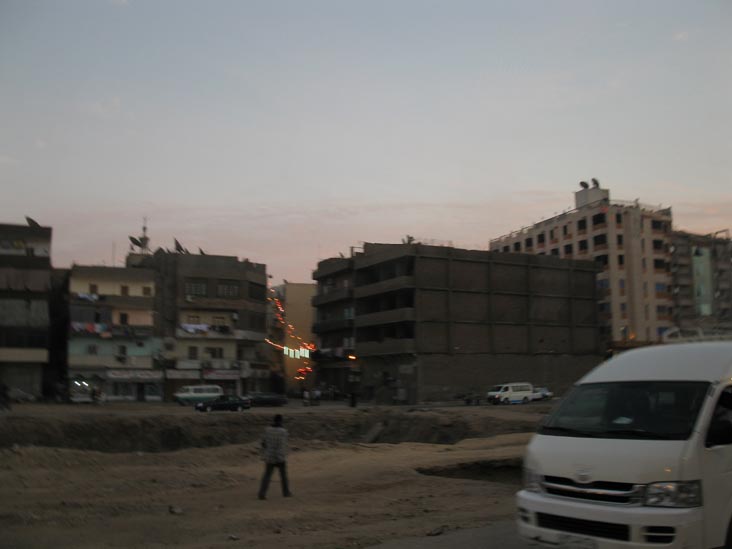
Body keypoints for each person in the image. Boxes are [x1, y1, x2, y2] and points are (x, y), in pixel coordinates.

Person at [258, 414, 292, 500]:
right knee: (283, 476)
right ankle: (286, 492)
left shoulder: (267, 430)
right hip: (280, 456)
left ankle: (262, 493)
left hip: (270, 456)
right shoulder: (283, 431)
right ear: (281, 421)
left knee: (267, 476)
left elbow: (263, 443)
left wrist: (268, 450)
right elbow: (284, 444)